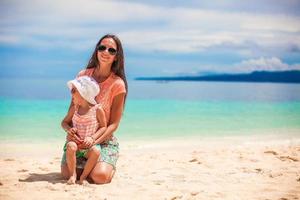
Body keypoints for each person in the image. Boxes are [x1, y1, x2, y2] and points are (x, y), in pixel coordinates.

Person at [61, 34, 128, 184]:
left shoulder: (118, 84)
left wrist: (94, 140)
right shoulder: (83, 75)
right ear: (97, 50)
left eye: (112, 50)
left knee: (100, 177)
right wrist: (70, 133)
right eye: (102, 47)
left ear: (117, 57)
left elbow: (113, 125)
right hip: (79, 139)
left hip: (102, 140)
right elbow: (73, 110)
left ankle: (105, 166)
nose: (106, 52)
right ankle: (89, 166)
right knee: (67, 174)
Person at [61, 76, 107, 184]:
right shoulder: (74, 109)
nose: (71, 93)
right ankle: (73, 175)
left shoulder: (97, 110)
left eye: (74, 91)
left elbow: (103, 127)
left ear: (83, 94)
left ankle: (84, 177)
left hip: (89, 146)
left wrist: (92, 138)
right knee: (70, 146)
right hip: (76, 144)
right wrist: (69, 129)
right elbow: (64, 123)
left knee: (96, 151)